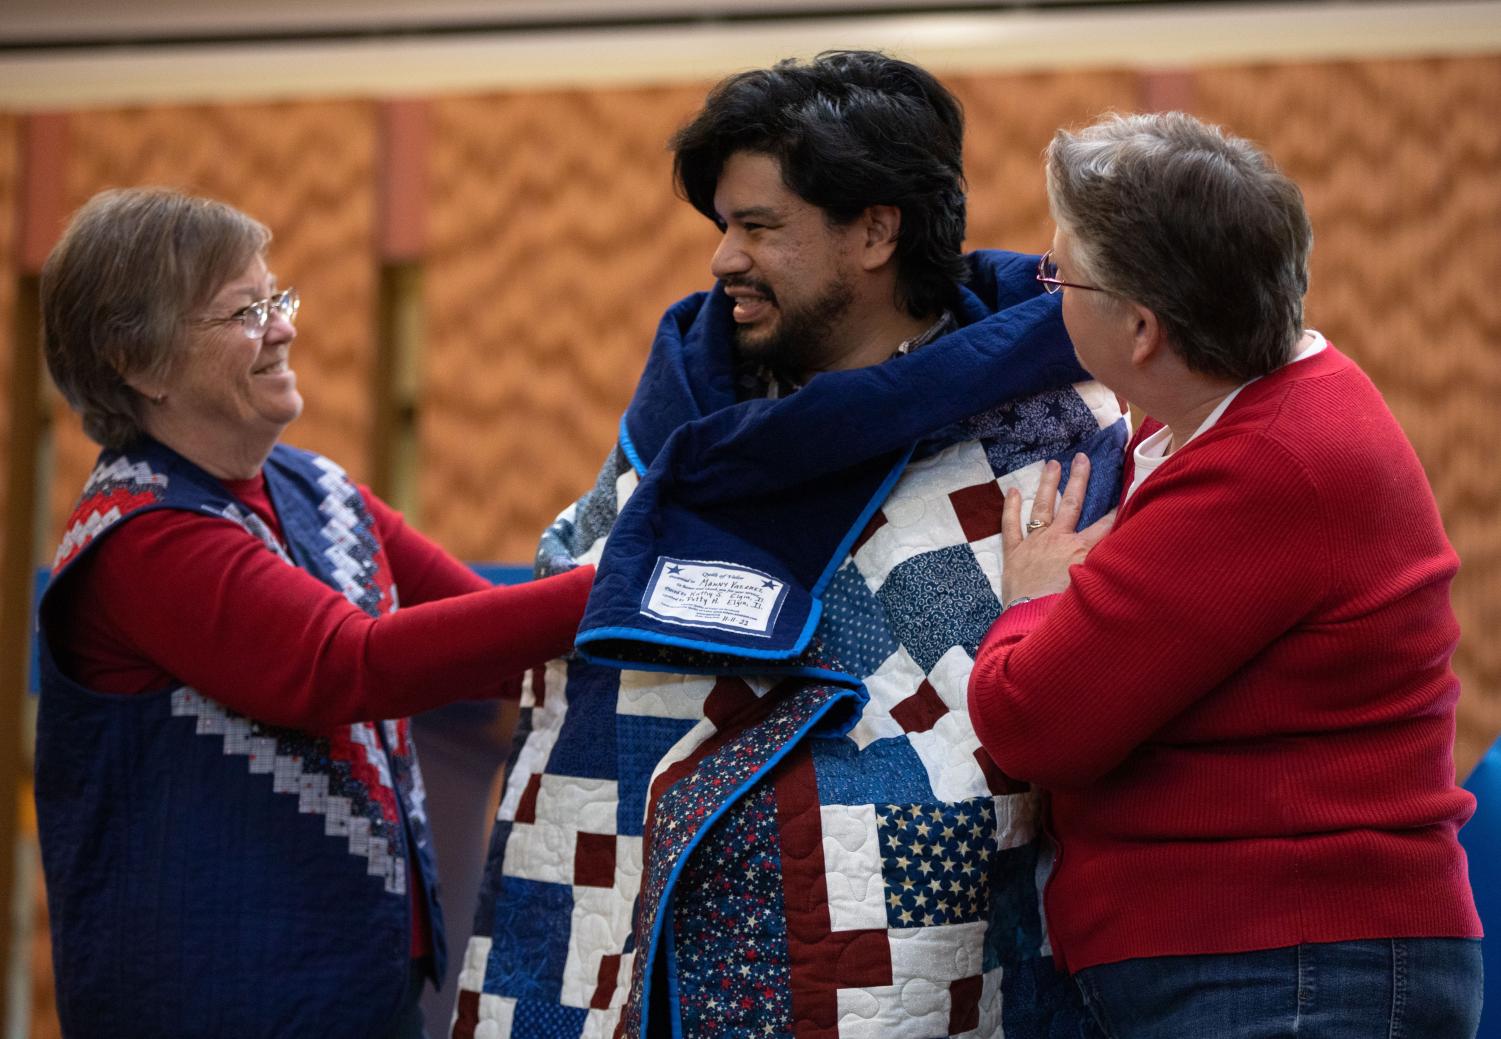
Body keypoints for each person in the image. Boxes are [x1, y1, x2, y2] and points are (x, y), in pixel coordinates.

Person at [454, 52, 1127, 1038]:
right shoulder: (687, 419)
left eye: (759, 228)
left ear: (873, 230)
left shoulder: (1039, 421)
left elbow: (1061, 687)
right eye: (722, 225)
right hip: (640, 939)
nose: (723, 258)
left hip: (896, 946)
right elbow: (581, 599)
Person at [34, 187, 597, 1038]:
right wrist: (620, 583)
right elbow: (347, 666)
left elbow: (493, 642)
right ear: (139, 364)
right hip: (208, 1004)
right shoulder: (142, 540)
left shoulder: (319, 489)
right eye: (242, 312)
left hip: (362, 993)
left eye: (276, 298)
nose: (283, 327)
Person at [967, 112, 1483, 1038]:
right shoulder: (1251, 409)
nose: (1049, 295)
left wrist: (1034, 597)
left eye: (1061, 275)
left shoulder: (1270, 463)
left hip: (1292, 974)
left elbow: (1031, 723)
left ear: (1140, 329)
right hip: (1273, 965)